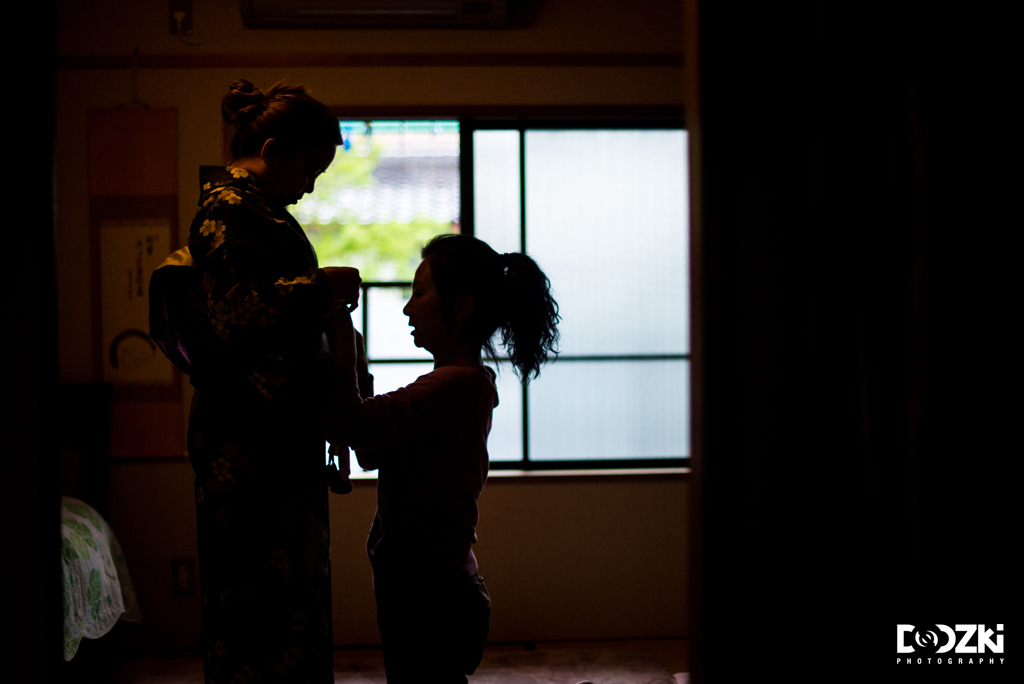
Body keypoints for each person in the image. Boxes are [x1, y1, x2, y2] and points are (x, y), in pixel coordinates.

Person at [150, 79, 361, 683]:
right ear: (271, 151)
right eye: (309, 169)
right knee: (262, 598)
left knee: (280, 590)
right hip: (248, 441)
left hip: (265, 431)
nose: (311, 185)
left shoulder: (249, 210)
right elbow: (236, 314)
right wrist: (323, 287)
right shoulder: (230, 210)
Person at [324, 234, 561, 683]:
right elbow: (372, 451)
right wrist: (351, 352)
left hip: (433, 596)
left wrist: (338, 326)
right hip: (430, 590)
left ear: (461, 306)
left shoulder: (452, 386)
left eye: (420, 294)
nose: (408, 309)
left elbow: (350, 426)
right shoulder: (452, 385)